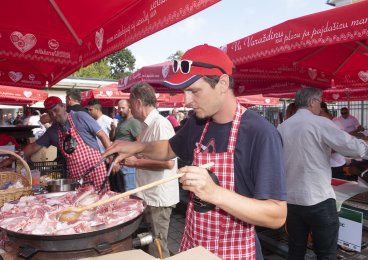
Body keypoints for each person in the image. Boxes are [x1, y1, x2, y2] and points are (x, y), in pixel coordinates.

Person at [102, 44, 287, 259]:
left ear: (222, 83)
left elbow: (277, 215)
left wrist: (215, 193)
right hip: (194, 246)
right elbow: (169, 149)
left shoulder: (260, 133)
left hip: (234, 251)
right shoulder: (198, 124)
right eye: (184, 92)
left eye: (194, 91)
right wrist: (138, 147)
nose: (187, 101)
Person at [277, 87, 368, 259]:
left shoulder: (282, 127)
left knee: (296, 250)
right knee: (326, 253)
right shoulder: (320, 123)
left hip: (292, 200)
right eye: (319, 101)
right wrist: (364, 145)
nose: (320, 106)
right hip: (317, 199)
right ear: (312, 102)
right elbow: (351, 147)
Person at [122, 83, 179, 258]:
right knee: (152, 241)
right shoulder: (147, 125)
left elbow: (169, 163)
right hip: (150, 194)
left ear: (138, 103)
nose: (130, 110)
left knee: (158, 245)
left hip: (158, 197)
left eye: (131, 105)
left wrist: (136, 162)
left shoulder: (160, 124)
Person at [23, 96, 111, 190]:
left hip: (96, 171)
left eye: (56, 110)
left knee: (102, 200)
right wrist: (13, 158)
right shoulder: (53, 131)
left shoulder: (80, 116)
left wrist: (111, 156)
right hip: (76, 177)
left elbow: (102, 135)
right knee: (79, 203)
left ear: (64, 106)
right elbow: (33, 147)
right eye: (50, 113)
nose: (54, 115)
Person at [109, 99, 141, 192]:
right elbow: (112, 139)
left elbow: (139, 144)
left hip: (128, 165)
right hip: (119, 163)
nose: (120, 110)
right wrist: (113, 129)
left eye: (123, 108)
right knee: (120, 193)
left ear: (129, 108)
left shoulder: (133, 122)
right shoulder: (121, 122)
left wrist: (126, 157)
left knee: (129, 193)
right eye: (119, 108)